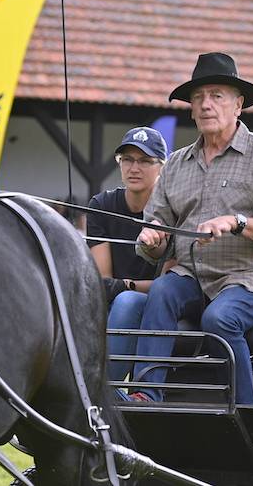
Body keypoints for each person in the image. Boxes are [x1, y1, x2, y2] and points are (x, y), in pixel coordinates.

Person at [127, 52, 253, 405]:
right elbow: (158, 227)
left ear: (238, 105)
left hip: (252, 276)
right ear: (191, 109)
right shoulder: (176, 164)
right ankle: (146, 397)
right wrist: (152, 239)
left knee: (220, 318)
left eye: (216, 96)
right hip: (194, 274)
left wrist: (237, 223)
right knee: (162, 290)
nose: (206, 105)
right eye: (198, 98)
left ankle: (246, 413)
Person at [86, 127, 172, 381]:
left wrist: (127, 286)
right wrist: (121, 286)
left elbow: (168, 286)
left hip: (159, 302)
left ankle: (102, 393)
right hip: (114, 299)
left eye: (145, 160)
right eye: (128, 159)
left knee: (127, 301)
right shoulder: (102, 205)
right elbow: (104, 281)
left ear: (162, 167)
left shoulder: (173, 209)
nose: (135, 168)